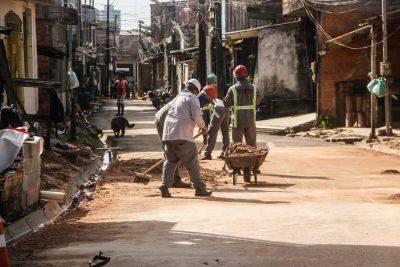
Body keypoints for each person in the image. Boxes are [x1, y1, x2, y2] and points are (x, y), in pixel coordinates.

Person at [159, 79, 213, 198]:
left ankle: (164, 186)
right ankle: (199, 188)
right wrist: (203, 126)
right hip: (182, 134)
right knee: (192, 161)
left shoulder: (177, 97)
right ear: (195, 90)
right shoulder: (192, 98)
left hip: (168, 134)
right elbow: (196, 115)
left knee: (170, 161)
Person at [223, 65, 262, 147]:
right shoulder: (254, 88)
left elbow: (226, 103)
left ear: (236, 76)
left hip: (238, 121)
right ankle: (252, 159)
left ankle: (238, 159)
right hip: (251, 120)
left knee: (237, 145)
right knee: (252, 145)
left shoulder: (233, 89)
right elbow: (258, 101)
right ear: (246, 75)